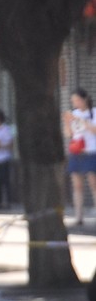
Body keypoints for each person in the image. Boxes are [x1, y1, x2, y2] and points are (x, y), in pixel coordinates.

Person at [67, 90, 96, 226]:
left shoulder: (93, 112)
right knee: (77, 185)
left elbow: (94, 130)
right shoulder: (74, 113)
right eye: (73, 101)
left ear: (84, 99)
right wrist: (67, 123)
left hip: (91, 151)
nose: (75, 104)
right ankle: (79, 216)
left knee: (93, 184)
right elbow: (69, 134)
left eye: (77, 100)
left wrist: (81, 120)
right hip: (76, 152)